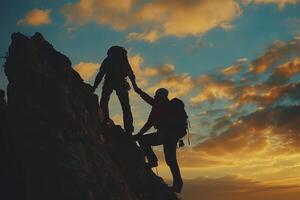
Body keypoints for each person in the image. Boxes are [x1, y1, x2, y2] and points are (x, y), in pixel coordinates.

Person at [132, 85, 183, 193]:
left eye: (156, 97)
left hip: (165, 136)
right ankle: (178, 185)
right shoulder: (167, 105)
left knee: (143, 140)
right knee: (171, 160)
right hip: (171, 137)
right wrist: (139, 134)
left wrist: (138, 90)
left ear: (159, 97)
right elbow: (150, 122)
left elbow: (149, 122)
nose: (155, 98)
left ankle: (152, 161)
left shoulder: (158, 105)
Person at [92, 46, 136, 135]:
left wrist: (94, 87)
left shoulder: (108, 60)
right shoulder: (123, 60)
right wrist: (135, 85)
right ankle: (129, 130)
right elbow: (130, 73)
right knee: (125, 107)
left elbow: (100, 74)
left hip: (110, 81)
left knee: (104, 101)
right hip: (120, 82)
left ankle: (105, 121)